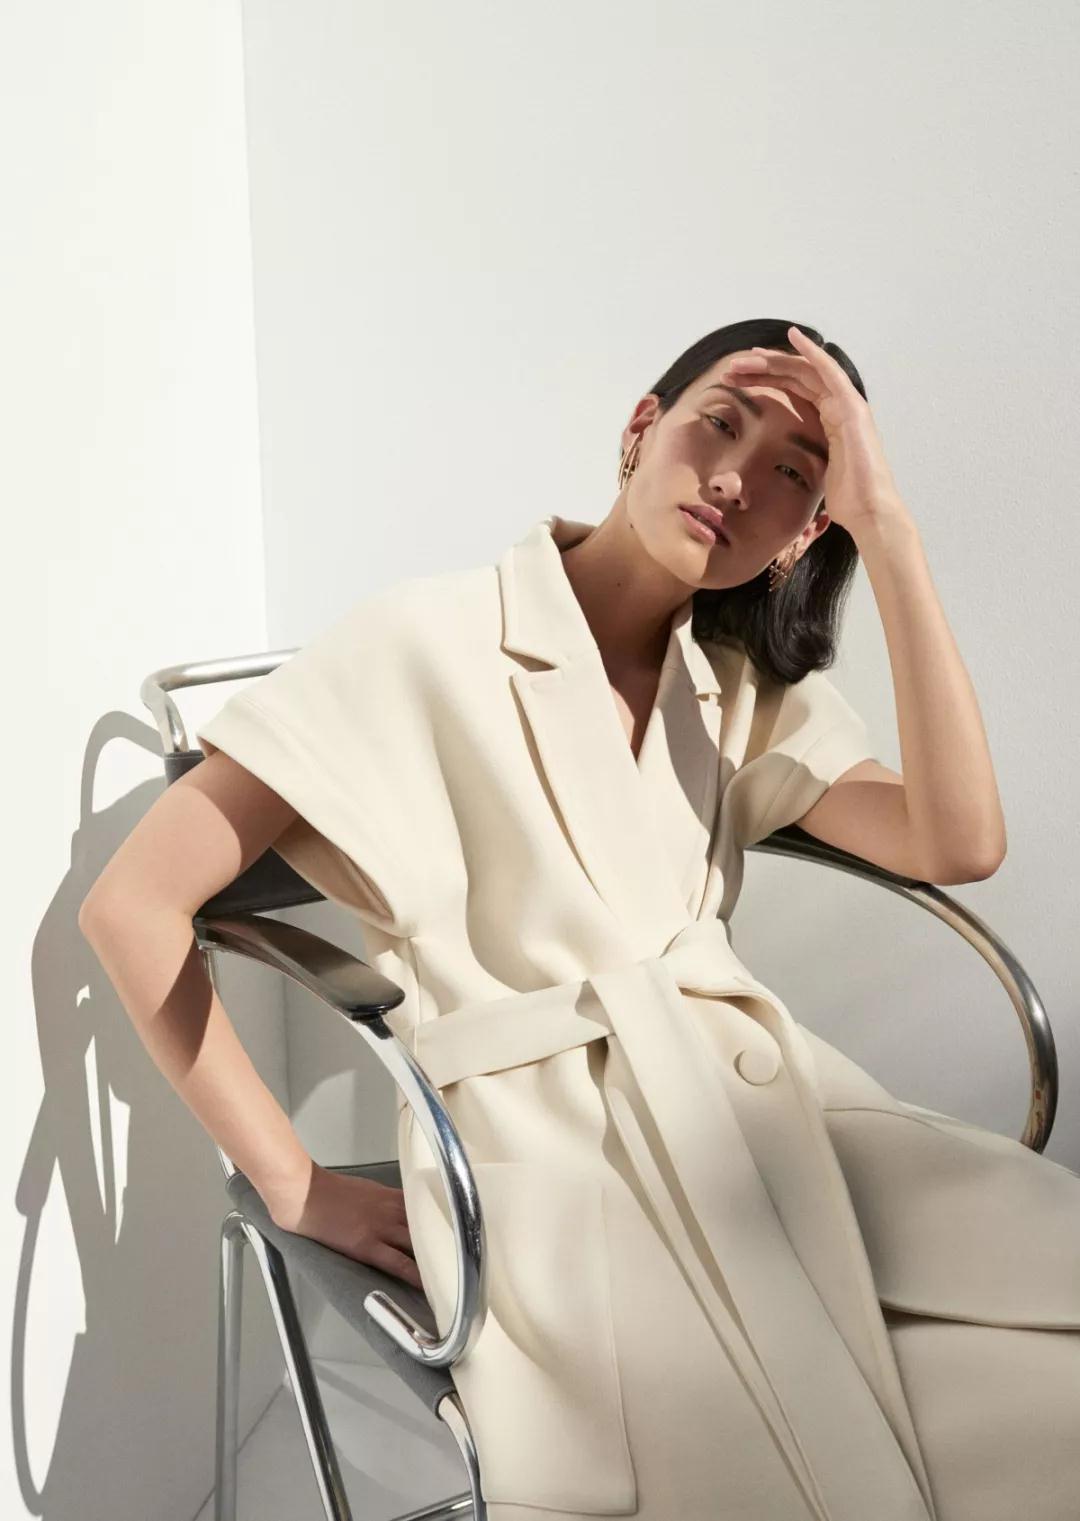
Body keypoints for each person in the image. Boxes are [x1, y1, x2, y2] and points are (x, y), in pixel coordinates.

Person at [81, 317, 1080, 1521]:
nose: (736, 479)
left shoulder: (736, 686)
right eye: (720, 424)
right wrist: (295, 1183)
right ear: (640, 430)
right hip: (551, 1167)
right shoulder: (421, 637)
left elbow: (959, 842)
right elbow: (133, 904)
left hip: (770, 1131)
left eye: (793, 474)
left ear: (807, 532)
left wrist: (892, 532)